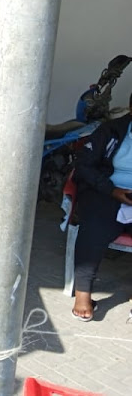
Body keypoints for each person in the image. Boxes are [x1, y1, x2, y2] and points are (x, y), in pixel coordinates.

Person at [72, 92, 132, 321]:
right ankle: (83, 295)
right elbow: (84, 165)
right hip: (107, 189)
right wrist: (111, 190)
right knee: (94, 226)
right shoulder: (111, 130)